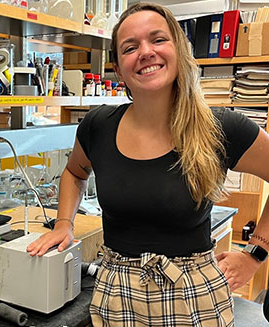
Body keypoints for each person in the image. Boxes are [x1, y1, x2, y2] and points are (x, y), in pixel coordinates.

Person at [27, 2, 269, 326]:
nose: (145, 52)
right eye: (130, 47)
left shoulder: (222, 128)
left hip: (194, 297)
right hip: (116, 292)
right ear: (118, 66)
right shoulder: (97, 126)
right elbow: (74, 171)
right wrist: (63, 224)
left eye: (158, 40)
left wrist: (255, 254)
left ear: (179, 49)